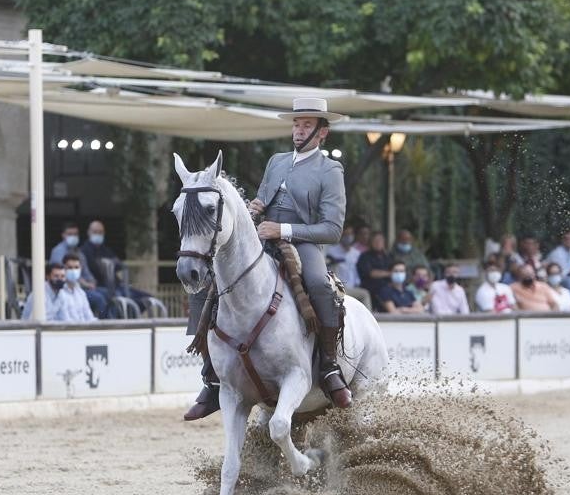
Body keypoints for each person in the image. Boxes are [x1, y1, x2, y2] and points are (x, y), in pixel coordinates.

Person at [185, 97, 352, 421]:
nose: (298, 130)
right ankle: (212, 378)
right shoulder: (276, 161)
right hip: (261, 235)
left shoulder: (330, 170)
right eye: (296, 124)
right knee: (209, 283)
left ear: (322, 132)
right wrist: (254, 208)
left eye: (306, 125)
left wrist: (283, 229)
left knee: (319, 285)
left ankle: (329, 367)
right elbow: (262, 198)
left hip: (302, 241)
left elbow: (332, 229)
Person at [81, 219, 152, 313]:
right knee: (120, 299)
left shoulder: (105, 250)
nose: (98, 234)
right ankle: (124, 317)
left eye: (100, 232)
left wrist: (109, 263)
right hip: (101, 287)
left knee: (148, 298)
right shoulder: (84, 251)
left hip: (118, 285)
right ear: (89, 232)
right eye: (95, 232)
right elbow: (96, 268)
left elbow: (119, 264)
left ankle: (131, 315)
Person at [49, 223, 108, 317]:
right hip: (68, 288)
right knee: (99, 298)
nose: (73, 236)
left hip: (81, 288)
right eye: (70, 234)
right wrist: (86, 284)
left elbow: (87, 272)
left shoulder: (79, 253)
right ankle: (105, 322)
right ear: (63, 235)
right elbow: (60, 274)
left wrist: (92, 282)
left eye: (75, 234)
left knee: (108, 293)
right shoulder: (58, 251)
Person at [23, 260, 96, 323]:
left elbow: (65, 319)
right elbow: (33, 322)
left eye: (62, 276)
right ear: (48, 277)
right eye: (56, 276)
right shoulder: (40, 293)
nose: (60, 279)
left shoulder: (61, 294)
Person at [357, 232, 394, 309]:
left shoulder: (388, 256)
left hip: (388, 286)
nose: (378, 243)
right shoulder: (365, 256)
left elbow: (395, 270)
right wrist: (389, 273)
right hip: (371, 288)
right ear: (371, 242)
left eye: (380, 240)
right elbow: (371, 273)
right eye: (375, 241)